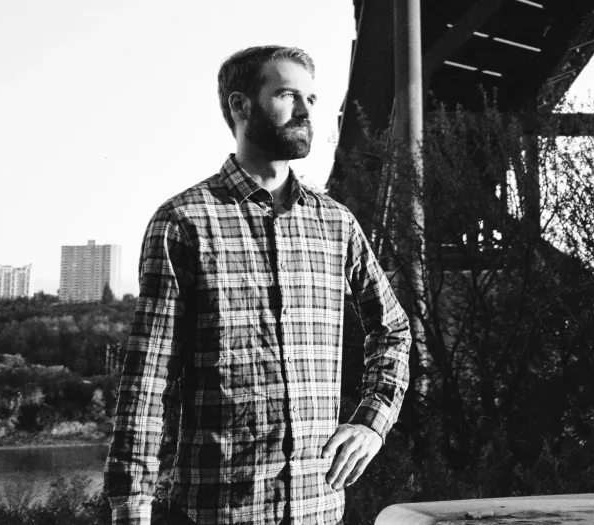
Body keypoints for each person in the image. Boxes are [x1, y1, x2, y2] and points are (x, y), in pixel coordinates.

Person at [104, 46, 412, 525]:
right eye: (288, 95)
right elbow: (148, 378)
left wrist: (373, 419)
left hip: (318, 510)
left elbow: (393, 329)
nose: (307, 111)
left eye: (312, 97)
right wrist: (131, 504)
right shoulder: (184, 222)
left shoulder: (336, 223)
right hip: (218, 511)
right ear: (240, 105)